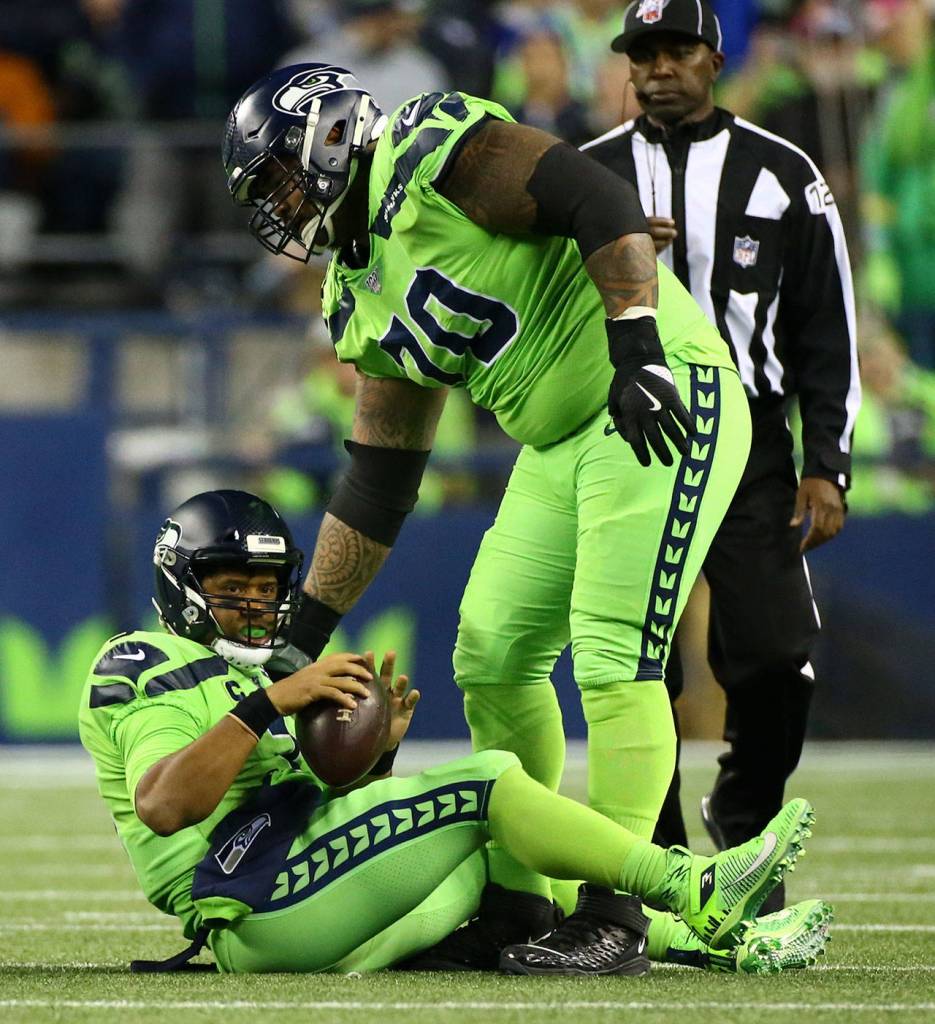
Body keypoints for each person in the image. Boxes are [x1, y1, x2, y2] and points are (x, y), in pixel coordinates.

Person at [221, 61, 758, 972]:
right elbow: (381, 477)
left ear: (329, 133)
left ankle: (617, 911)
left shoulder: (429, 151)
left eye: (276, 175)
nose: (278, 204)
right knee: (491, 653)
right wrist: (303, 631)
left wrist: (637, 344)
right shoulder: (354, 292)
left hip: (654, 391)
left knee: (611, 647)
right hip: (554, 444)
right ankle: (521, 899)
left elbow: (597, 196)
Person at [77, 488, 832, 975]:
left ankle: (721, 944)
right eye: (229, 587)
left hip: (304, 890)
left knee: (515, 866)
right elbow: (165, 804)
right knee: (488, 779)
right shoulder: (145, 659)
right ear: (181, 585)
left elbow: (313, 810)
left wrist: (378, 757)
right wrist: (274, 702)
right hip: (250, 904)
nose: (250, 604)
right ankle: (691, 883)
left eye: (264, 589)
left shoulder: (251, 674)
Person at [581, 0, 860, 911]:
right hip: (625, 443)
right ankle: (657, 854)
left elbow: (828, 323)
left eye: (679, 50)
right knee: (634, 662)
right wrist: (609, 264)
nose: (659, 67)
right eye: (644, 53)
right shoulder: (586, 177)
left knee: (779, 655)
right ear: (625, 66)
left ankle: (740, 815)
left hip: (747, 443)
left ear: (715, 56)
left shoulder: (784, 174)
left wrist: (829, 459)